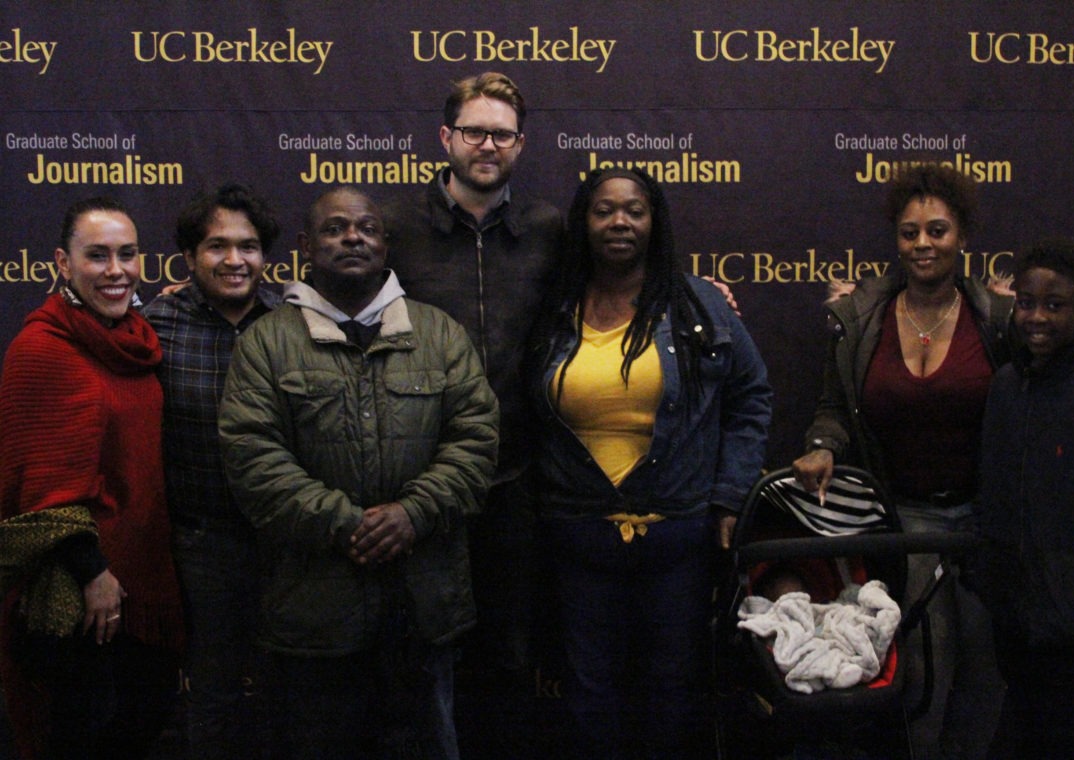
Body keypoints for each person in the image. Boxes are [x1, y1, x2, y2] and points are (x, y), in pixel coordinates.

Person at [217, 186, 498, 760]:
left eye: (366, 228)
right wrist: (348, 525)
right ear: (305, 246)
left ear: (386, 244)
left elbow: (476, 442)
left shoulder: (440, 334)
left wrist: (412, 515)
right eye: (335, 228)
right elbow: (253, 458)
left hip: (423, 609)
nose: (353, 238)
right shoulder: (267, 344)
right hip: (313, 615)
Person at [525, 166, 772, 759]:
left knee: (671, 693)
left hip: (678, 536)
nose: (619, 222)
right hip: (578, 534)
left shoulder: (700, 303)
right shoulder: (552, 307)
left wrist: (730, 496)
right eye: (603, 210)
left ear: (653, 221)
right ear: (582, 223)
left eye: (634, 210)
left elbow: (751, 396)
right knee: (588, 696)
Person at [791, 163, 1010, 759]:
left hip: (991, 529)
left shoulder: (999, 320)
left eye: (937, 230)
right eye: (910, 232)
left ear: (963, 236)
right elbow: (836, 408)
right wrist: (822, 445)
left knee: (985, 681)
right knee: (923, 682)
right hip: (907, 525)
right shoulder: (861, 320)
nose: (922, 244)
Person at [378, 71, 563, 757]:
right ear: (446, 138)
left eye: (503, 134)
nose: (489, 145)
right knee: (422, 662)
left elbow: (624, 284)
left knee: (511, 659)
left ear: (521, 144)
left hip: (516, 483)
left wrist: (699, 294)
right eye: (475, 131)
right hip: (418, 486)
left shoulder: (548, 229)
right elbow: (330, 310)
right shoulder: (394, 229)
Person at [0, 197, 184, 759]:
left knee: (141, 722)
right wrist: (93, 573)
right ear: (62, 261)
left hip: (144, 571)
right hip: (80, 586)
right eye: (97, 255)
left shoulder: (134, 337)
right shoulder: (43, 347)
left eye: (127, 255)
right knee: (82, 733)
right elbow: (40, 485)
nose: (115, 270)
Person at [973, 239, 1074, 759]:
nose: (1036, 317)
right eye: (1025, 302)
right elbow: (994, 493)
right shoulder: (1004, 385)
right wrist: (993, 582)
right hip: (1010, 619)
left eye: (1054, 304)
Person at [143, 183, 281, 759]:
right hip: (202, 544)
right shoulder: (154, 324)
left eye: (247, 246)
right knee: (215, 695)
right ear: (189, 258)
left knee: (289, 694)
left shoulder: (295, 322)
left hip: (288, 544)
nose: (233, 260)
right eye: (216, 246)